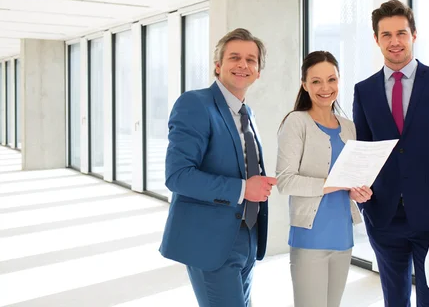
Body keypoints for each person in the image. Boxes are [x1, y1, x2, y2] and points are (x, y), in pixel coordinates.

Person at [353, 0, 429, 306]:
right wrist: (363, 199)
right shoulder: (363, 90)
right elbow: (364, 151)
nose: (395, 41)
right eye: (387, 34)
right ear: (376, 39)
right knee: (395, 300)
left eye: (401, 33)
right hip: (383, 216)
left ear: (414, 35)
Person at [159, 28, 277, 307]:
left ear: (258, 71)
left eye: (251, 60)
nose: (243, 65)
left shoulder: (248, 113)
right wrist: (243, 188)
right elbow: (177, 176)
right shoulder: (195, 104)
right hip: (210, 241)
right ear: (218, 65)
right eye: (234, 57)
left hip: (248, 236)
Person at [276, 51, 372, 307]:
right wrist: (335, 183)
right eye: (316, 81)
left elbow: (349, 182)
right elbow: (285, 181)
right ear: (305, 85)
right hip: (310, 237)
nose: (325, 87)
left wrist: (356, 191)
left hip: (343, 236)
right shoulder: (296, 122)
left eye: (331, 79)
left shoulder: (349, 127)